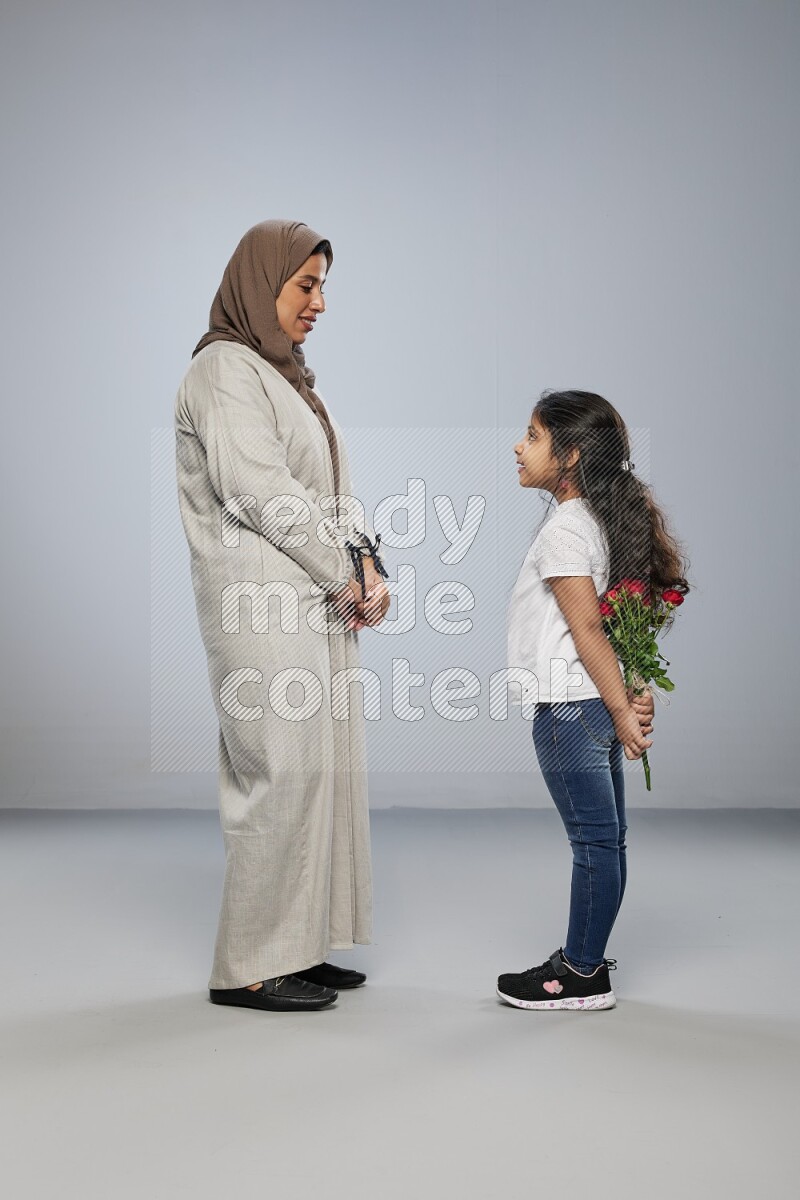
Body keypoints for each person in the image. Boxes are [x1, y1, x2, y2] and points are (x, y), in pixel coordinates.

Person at [174, 220, 390, 1013]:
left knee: (323, 772)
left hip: (314, 599)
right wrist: (345, 573)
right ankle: (249, 968)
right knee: (280, 772)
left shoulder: (291, 381)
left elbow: (332, 491)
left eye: (323, 286)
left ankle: (300, 946)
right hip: (261, 606)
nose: (320, 302)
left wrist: (370, 568)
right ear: (260, 284)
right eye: (305, 284)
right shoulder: (224, 372)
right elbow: (261, 492)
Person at [499, 390, 690, 1011]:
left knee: (594, 845)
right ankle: (585, 963)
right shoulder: (600, 524)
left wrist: (618, 711)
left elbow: (586, 630)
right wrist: (632, 692)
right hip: (593, 707)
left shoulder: (563, 531)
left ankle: (580, 974)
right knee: (609, 843)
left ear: (571, 454)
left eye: (531, 436)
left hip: (569, 710)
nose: (518, 447)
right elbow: (617, 622)